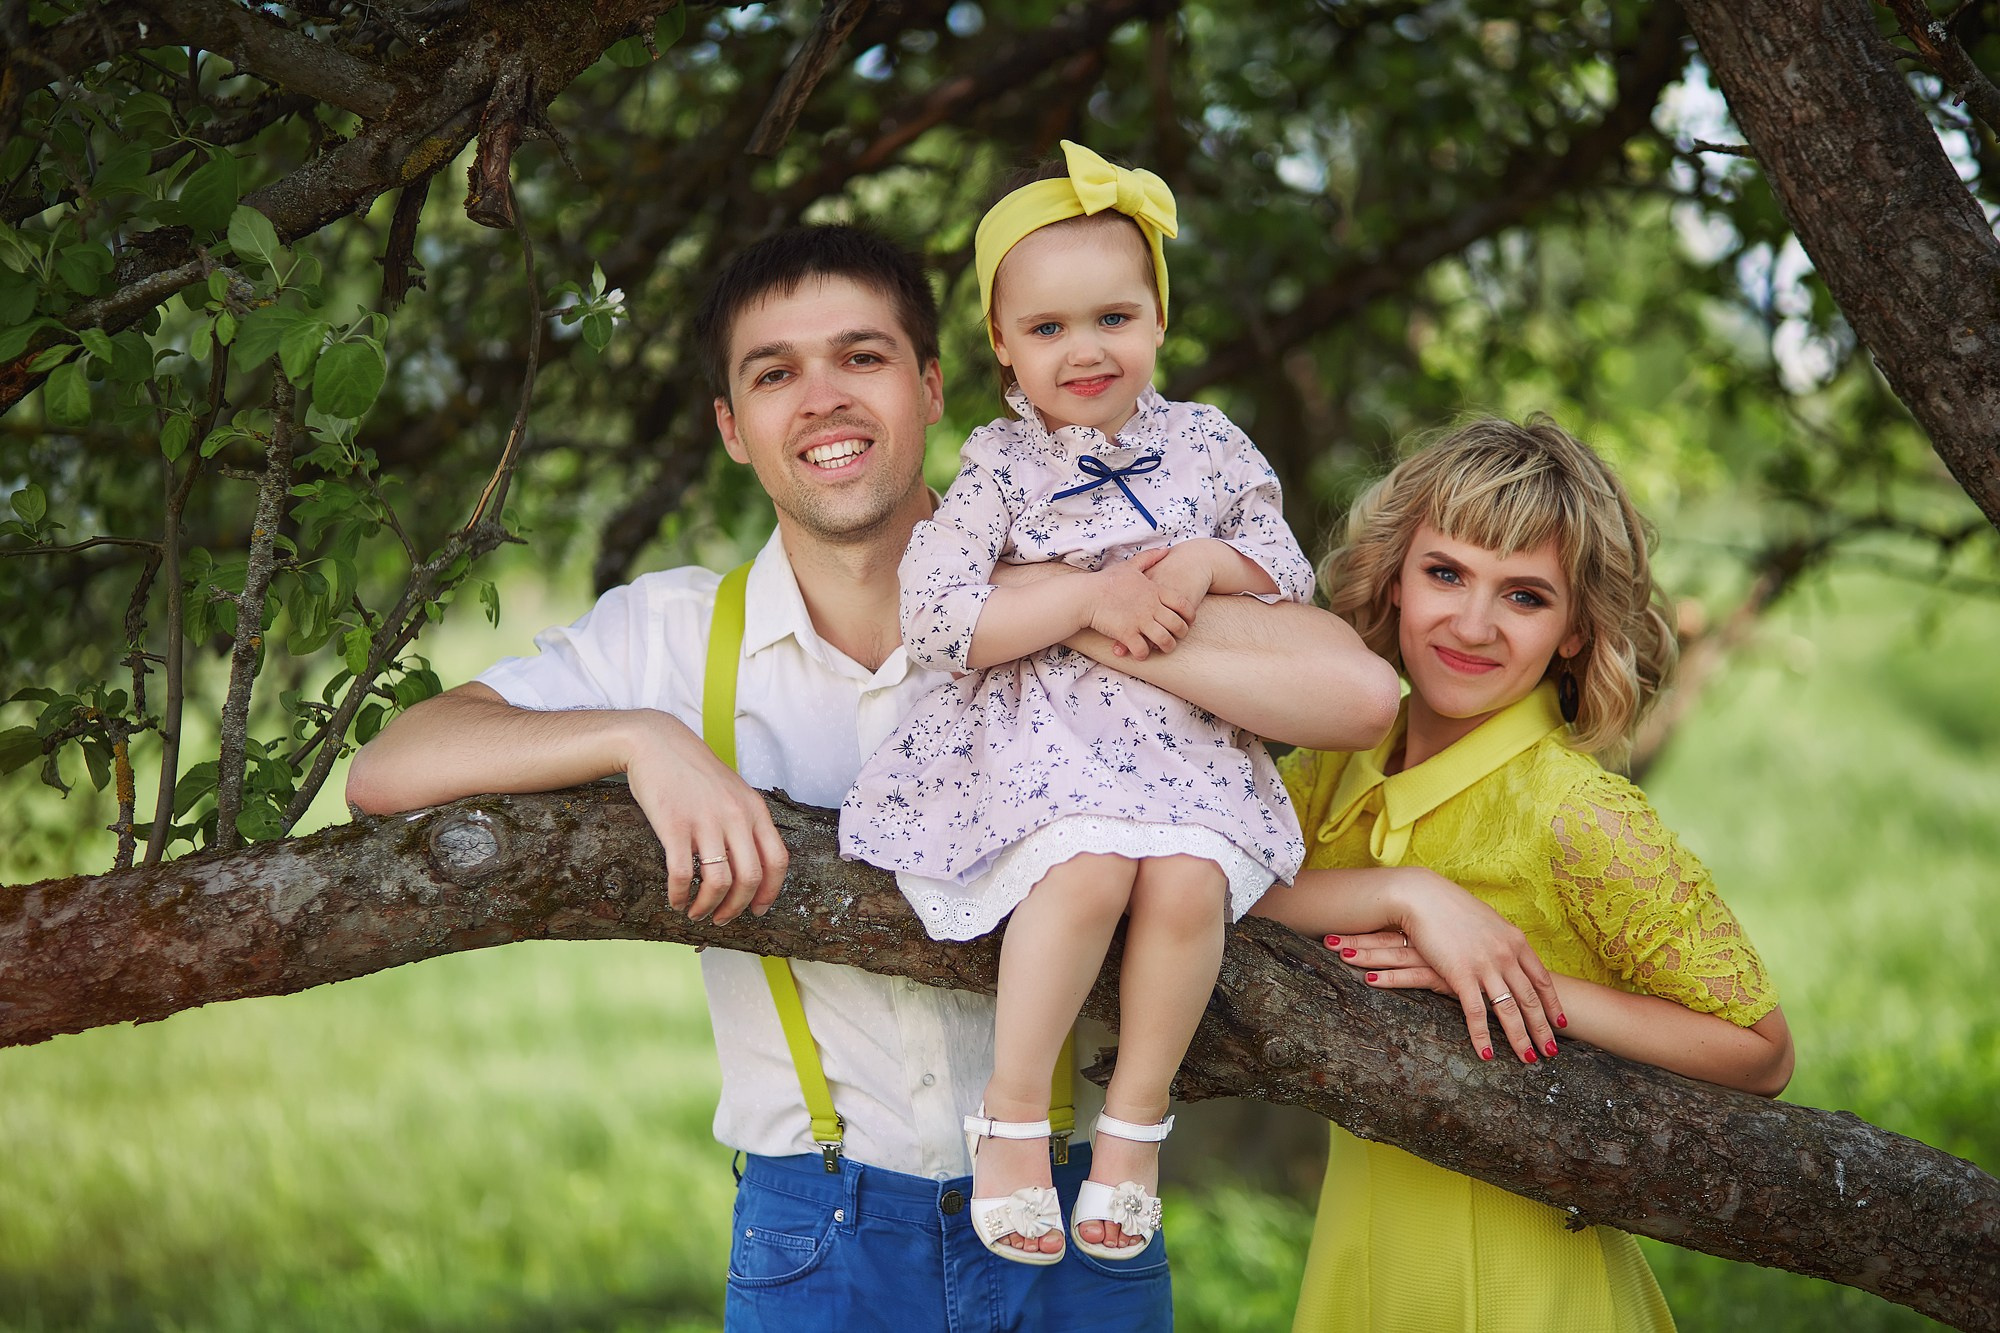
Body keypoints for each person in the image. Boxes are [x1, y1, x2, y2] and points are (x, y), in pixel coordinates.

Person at [344, 222, 1403, 1332]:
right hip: (817, 1235)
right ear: (732, 429)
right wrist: (639, 740)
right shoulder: (671, 639)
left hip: (1078, 1213)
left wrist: (1078, 617)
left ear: (936, 384)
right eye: (773, 372)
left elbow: (1352, 693)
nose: (821, 399)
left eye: (860, 356)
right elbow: (391, 766)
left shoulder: (1078, 566)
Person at [839, 141, 1369, 1270]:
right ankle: (1014, 1116)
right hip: (1046, 741)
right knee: (1085, 870)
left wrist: (1195, 569)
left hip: (1179, 748)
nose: (1083, 350)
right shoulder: (994, 465)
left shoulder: (1208, 441)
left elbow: (1281, 565)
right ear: (999, 346)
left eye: (1112, 318)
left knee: (1182, 879)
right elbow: (937, 615)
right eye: (1046, 330)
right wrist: (1084, 598)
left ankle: (1134, 1123)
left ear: (1157, 324)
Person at [1248, 416, 1796, 1332]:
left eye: (1526, 596)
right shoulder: (1332, 766)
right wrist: (1406, 892)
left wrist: (1532, 988)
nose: (1472, 623)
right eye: (1447, 573)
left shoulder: (1578, 814)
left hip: (1535, 1286)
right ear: (1394, 577)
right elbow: (1209, 882)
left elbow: (1761, 1049)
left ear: (1577, 631)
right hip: (1361, 1269)